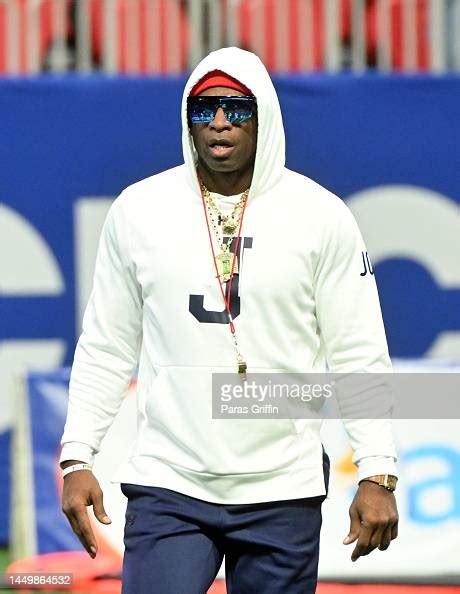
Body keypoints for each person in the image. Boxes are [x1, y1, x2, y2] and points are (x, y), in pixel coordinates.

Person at [60, 47, 399, 594]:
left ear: (264, 115)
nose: (219, 121)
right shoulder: (138, 210)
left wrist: (377, 471)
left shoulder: (321, 215)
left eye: (237, 108)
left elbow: (358, 351)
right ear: (187, 118)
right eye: (204, 108)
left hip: (283, 484)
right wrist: (77, 455)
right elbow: (105, 344)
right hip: (169, 481)